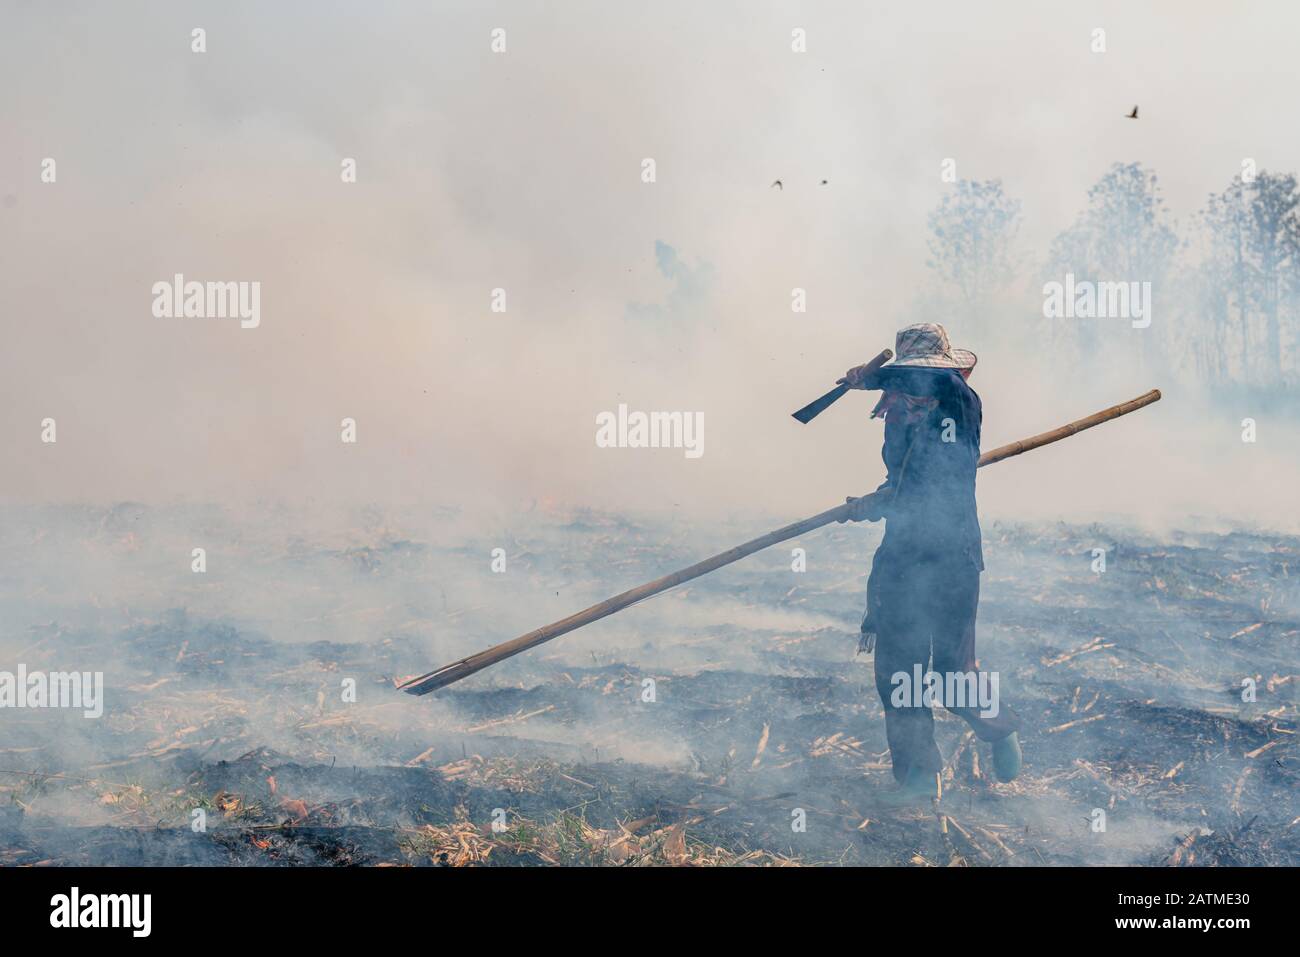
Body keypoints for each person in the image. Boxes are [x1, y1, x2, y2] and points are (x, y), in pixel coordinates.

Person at [838, 323, 1021, 807]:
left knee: (949, 673)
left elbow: (942, 388)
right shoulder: (898, 411)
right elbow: (901, 483)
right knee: (900, 672)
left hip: (953, 554)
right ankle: (920, 776)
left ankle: (999, 730)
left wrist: (871, 379)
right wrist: (876, 500)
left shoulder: (960, 403)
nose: (908, 385)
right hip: (902, 556)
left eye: (912, 375)